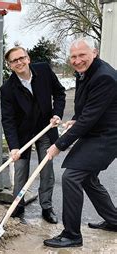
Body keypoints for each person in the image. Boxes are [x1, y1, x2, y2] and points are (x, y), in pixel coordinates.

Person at [44, 37, 117, 248]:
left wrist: (58, 145)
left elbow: (88, 119)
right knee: (88, 179)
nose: (77, 60)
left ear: (94, 53)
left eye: (82, 55)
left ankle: (72, 234)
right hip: (96, 131)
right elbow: (86, 107)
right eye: (73, 56)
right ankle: (114, 220)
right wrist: (75, 118)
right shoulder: (86, 72)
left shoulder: (105, 77)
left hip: (107, 136)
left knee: (71, 177)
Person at [1, 46, 65, 224]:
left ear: (28, 58)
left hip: (45, 127)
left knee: (46, 169)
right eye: (14, 61)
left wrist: (57, 113)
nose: (19, 62)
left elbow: (59, 93)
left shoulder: (43, 70)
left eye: (21, 58)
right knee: (20, 170)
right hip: (23, 134)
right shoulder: (7, 88)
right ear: (10, 65)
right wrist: (14, 146)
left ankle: (46, 207)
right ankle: (17, 206)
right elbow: (8, 120)